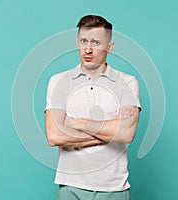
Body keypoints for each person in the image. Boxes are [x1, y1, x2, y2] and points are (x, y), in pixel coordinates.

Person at [45, 15, 141, 200]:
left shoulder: (127, 82)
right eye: (83, 41)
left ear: (109, 47)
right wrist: (110, 131)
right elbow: (54, 136)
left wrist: (76, 123)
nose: (88, 49)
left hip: (115, 188)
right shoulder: (58, 82)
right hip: (71, 187)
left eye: (96, 42)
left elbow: (126, 133)